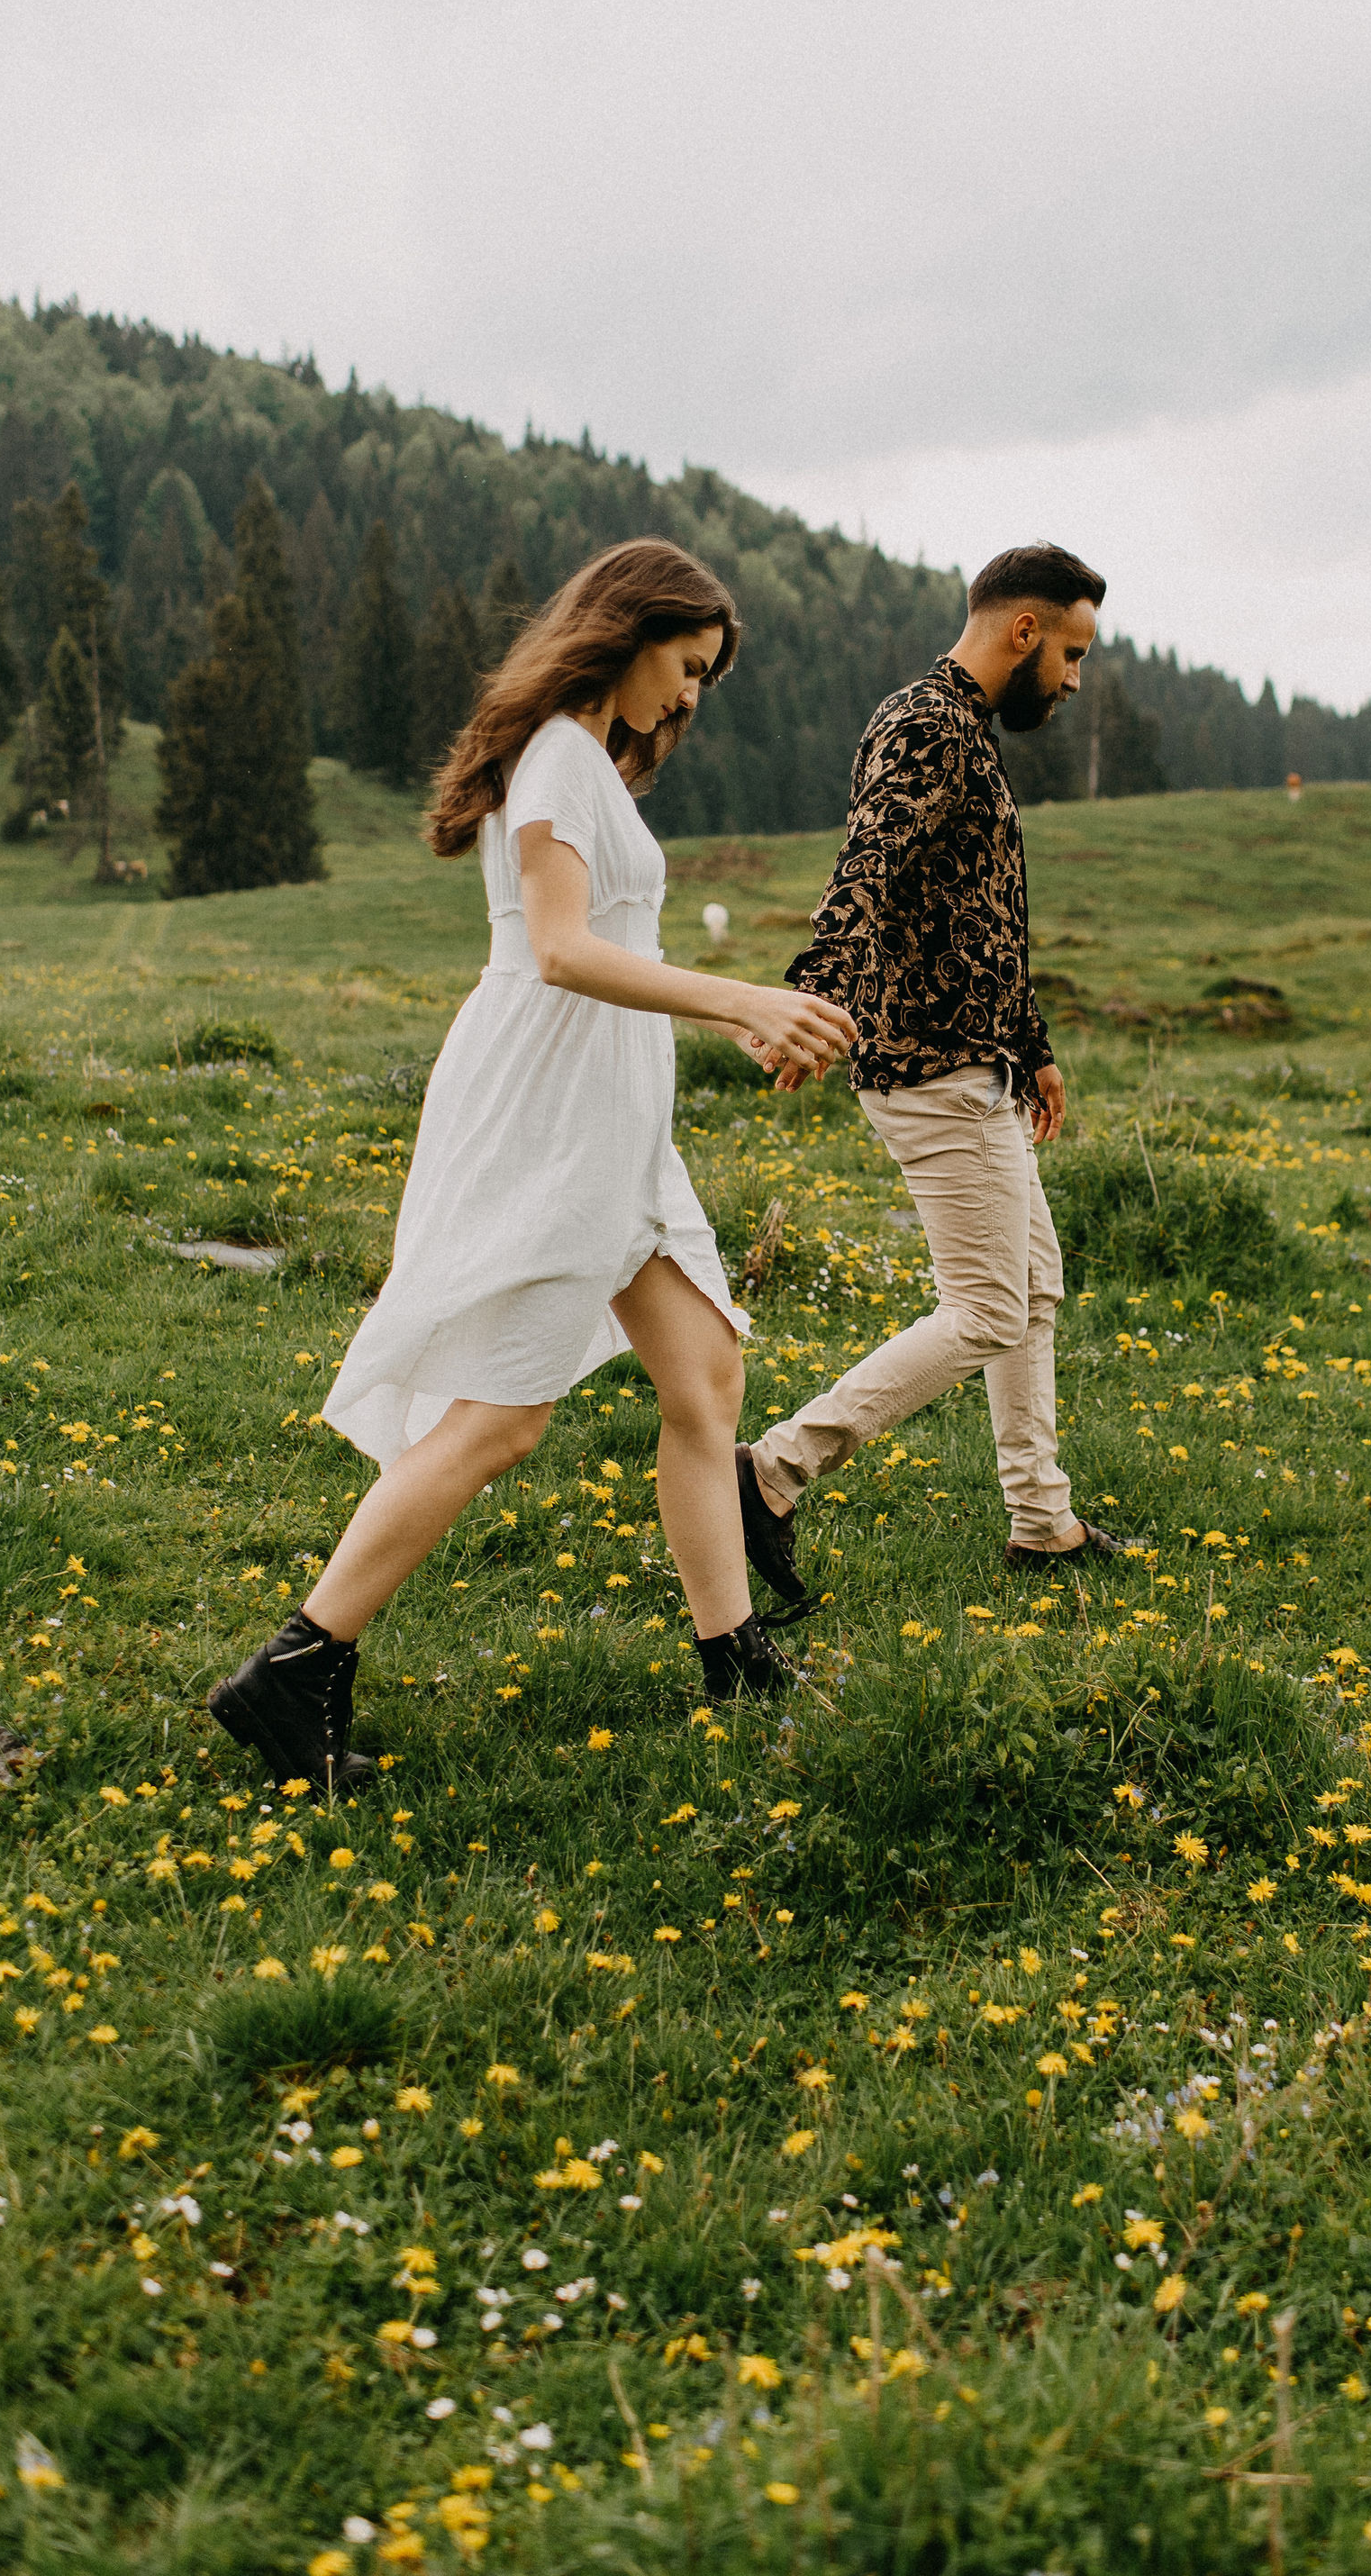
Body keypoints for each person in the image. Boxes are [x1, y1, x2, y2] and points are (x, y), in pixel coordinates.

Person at [208, 539, 858, 1794]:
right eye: (684, 665)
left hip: (615, 1118)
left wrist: (723, 1021)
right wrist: (740, 999)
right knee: (502, 1416)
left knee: (705, 1370)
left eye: (706, 679)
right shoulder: (559, 754)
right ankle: (294, 1673)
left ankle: (733, 1656)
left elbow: (604, 944)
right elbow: (558, 950)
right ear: (624, 634)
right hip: (553, 1113)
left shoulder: (587, 762)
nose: (689, 698)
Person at [731, 540, 1119, 1613]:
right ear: (1025, 631)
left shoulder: (966, 732)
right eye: (1073, 653)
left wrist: (1030, 1041)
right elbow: (866, 870)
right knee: (991, 1308)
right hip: (930, 1068)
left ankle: (1042, 1522)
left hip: (978, 1060)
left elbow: (974, 911)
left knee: (1031, 1290)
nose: (1076, 681)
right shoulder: (927, 726)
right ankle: (769, 1473)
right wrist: (809, 998)